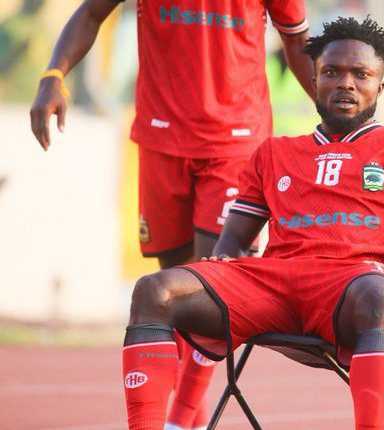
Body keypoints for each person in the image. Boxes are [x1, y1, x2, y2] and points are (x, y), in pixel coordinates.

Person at [121, 17, 384, 430]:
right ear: (313, 79)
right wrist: (221, 275)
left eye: (361, 74)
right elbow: (232, 242)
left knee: (381, 292)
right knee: (155, 291)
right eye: (332, 72)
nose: (346, 83)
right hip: (272, 286)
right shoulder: (273, 153)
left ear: (380, 86)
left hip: (351, 290)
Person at [29, 1, 314, 429]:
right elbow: (90, 14)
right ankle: (190, 422)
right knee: (171, 295)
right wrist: (53, 75)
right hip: (161, 138)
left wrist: (336, 117)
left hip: (235, 143)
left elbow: (297, 40)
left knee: (213, 285)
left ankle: (178, 422)